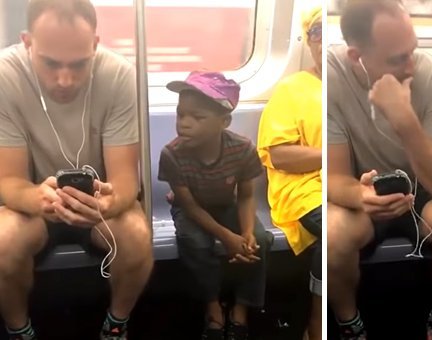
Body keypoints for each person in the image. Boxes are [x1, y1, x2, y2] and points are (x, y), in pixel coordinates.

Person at [0, 0, 154, 339]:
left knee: (138, 236)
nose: (65, 80)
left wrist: (110, 204)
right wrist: (37, 198)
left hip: (99, 204)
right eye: (51, 63)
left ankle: (116, 326)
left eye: (79, 64)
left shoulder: (117, 75)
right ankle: (19, 330)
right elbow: (9, 181)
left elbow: (126, 178)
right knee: (2, 241)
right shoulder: (6, 77)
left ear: (95, 46)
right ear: (28, 43)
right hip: (35, 206)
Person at [327, 1, 432, 339]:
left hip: (424, 193)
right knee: (333, 234)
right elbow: (334, 177)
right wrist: (360, 195)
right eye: (397, 59)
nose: (411, 66)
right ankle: (351, 325)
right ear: (356, 57)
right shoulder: (333, 77)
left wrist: (405, 121)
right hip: (364, 189)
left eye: (412, 51)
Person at [158, 71, 269, 340]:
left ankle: (242, 307)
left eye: (197, 117)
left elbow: (244, 196)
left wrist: (246, 232)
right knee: (194, 242)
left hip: (225, 204)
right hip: (191, 209)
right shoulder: (172, 154)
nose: (184, 123)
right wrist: (227, 237)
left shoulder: (242, 149)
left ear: (224, 121)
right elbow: (190, 206)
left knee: (261, 241)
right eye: (180, 114)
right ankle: (212, 305)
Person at [257, 6, 322, 340]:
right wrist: (331, 157)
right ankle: (316, 323)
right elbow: (280, 155)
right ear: (308, 41)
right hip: (303, 191)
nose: (324, 42)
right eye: (317, 33)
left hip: (350, 186)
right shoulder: (292, 89)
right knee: (335, 230)